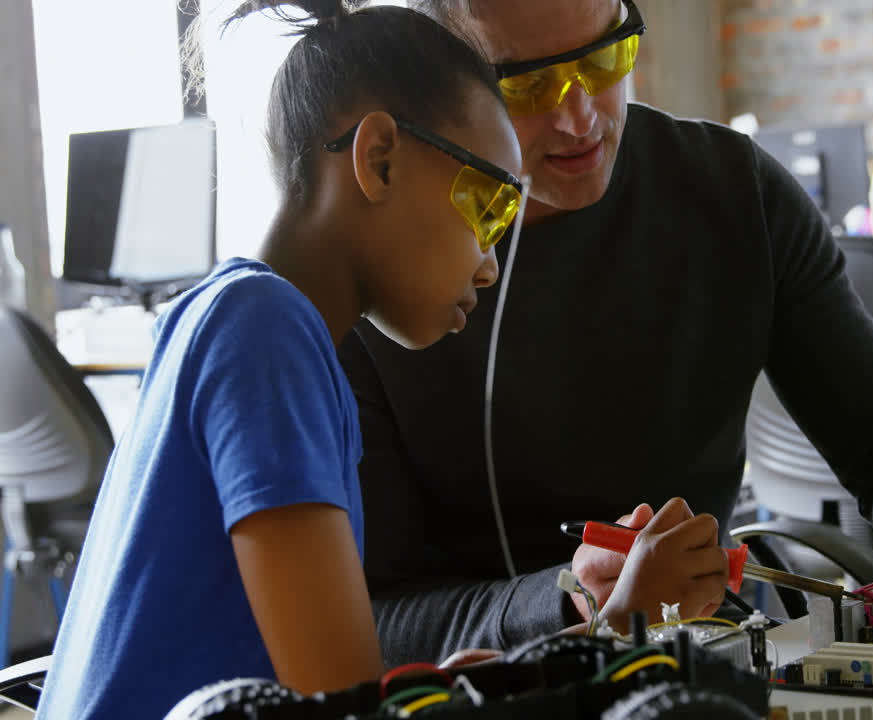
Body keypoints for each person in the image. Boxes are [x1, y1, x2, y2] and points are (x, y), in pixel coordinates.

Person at [337, 0, 873, 665]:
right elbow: (371, 622)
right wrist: (571, 600)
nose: (579, 118)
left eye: (604, 58)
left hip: (711, 664)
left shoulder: (732, 191)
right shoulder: (370, 263)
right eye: (529, 83)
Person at [34, 2, 530, 717]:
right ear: (380, 158)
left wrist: (443, 686)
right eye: (489, 210)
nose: (489, 266)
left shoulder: (227, 318)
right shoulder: (267, 332)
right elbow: (344, 706)